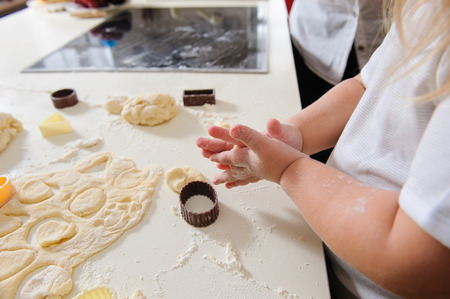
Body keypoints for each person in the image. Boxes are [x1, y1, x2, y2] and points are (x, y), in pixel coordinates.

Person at [196, 0, 450, 297]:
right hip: (321, 241)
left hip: (361, 288)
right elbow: (368, 86)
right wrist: (297, 134)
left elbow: (412, 258)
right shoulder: (432, 7)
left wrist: (290, 170)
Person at [289, 0, 385, 163]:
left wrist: (285, 169)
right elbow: (361, 86)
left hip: (379, 37)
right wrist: (295, 134)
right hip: (315, 38)